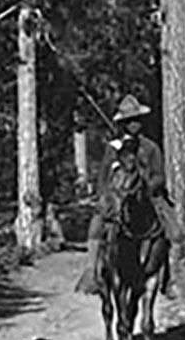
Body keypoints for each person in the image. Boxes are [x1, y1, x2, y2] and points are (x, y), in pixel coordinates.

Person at [75, 94, 178, 295]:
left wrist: (147, 187)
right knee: (96, 226)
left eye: (136, 120)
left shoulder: (151, 147)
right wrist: (106, 195)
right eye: (129, 121)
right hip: (117, 195)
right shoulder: (113, 149)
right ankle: (92, 272)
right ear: (122, 123)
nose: (133, 124)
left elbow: (160, 175)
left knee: (173, 229)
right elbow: (103, 176)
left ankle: (170, 278)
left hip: (148, 196)